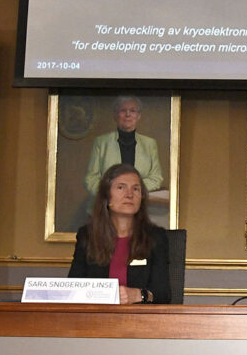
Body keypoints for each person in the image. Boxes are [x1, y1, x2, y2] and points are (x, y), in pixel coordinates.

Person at [68, 164, 171, 304]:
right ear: (107, 197)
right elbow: (73, 289)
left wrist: (139, 295)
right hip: (96, 320)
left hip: (140, 321)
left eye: (136, 189)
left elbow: (164, 294)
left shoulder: (156, 237)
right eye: (121, 187)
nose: (129, 194)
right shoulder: (87, 236)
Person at [85, 96, 163, 195]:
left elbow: (156, 178)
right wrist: (111, 193)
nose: (128, 114)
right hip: (107, 202)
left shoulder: (150, 144)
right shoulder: (101, 142)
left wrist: (132, 190)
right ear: (115, 115)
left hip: (140, 202)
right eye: (123, 110)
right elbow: (91, 179)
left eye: (133, 111)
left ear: (138, 116)